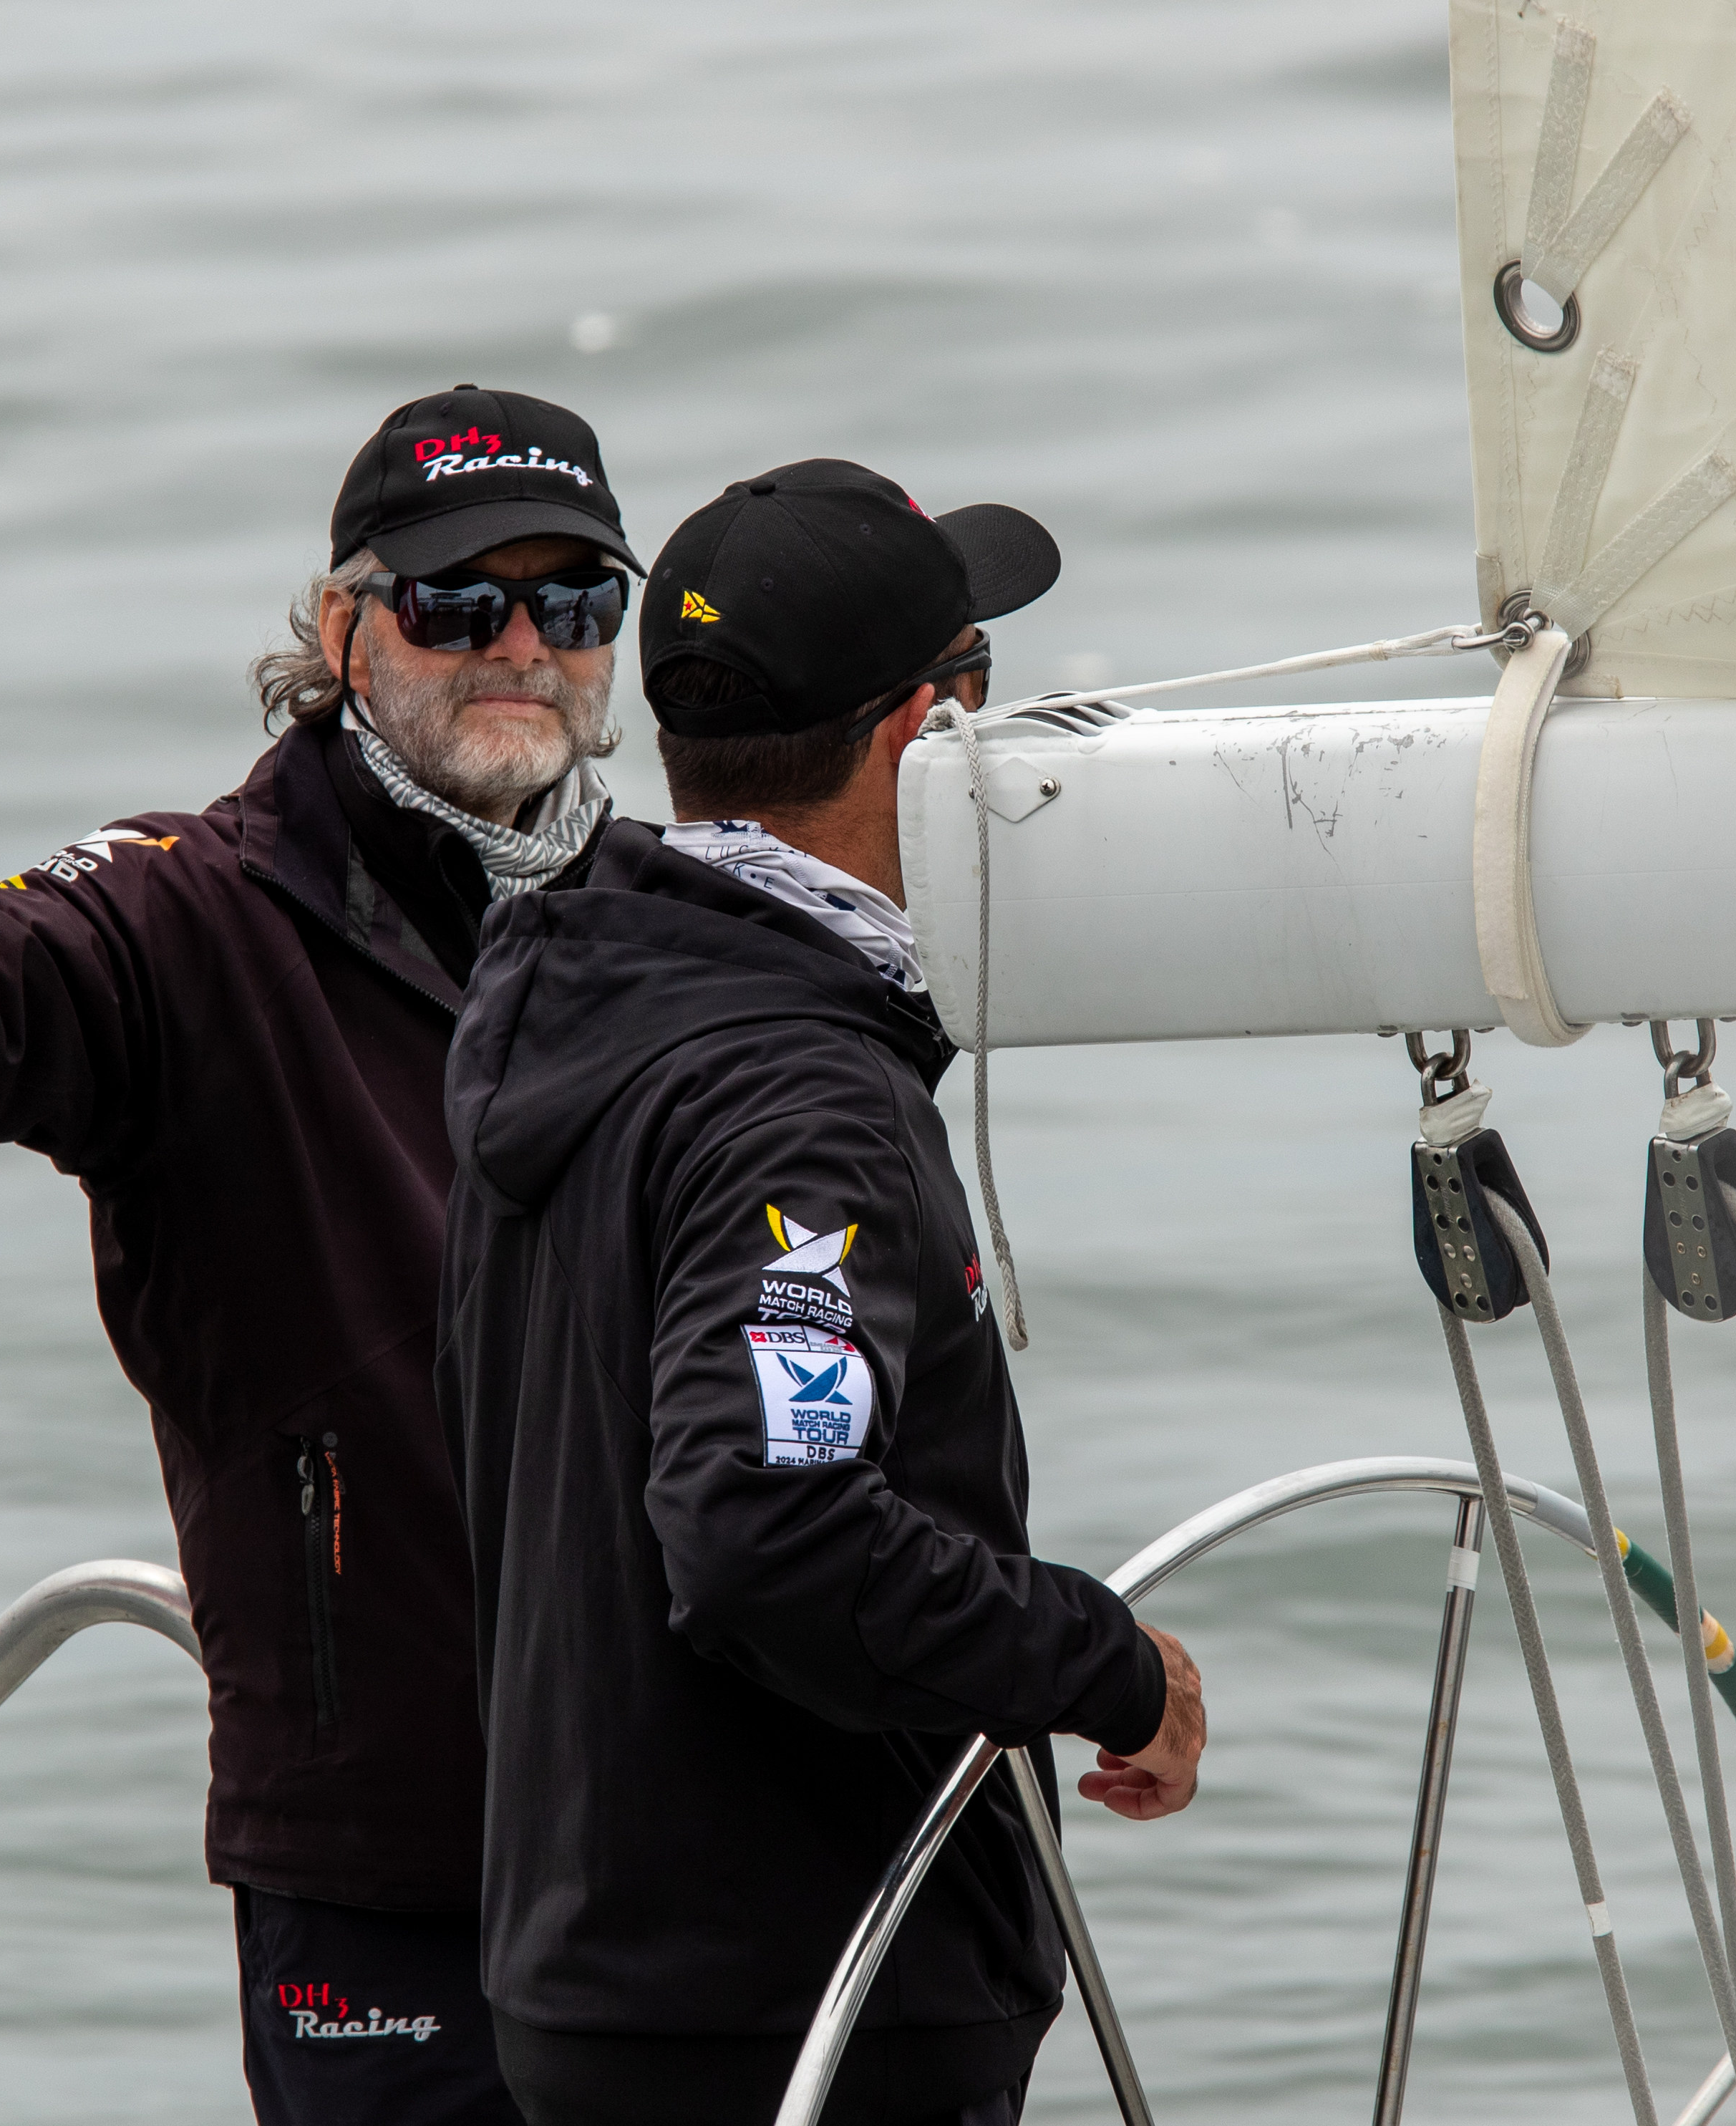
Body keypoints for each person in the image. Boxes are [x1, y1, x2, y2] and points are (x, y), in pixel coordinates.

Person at [0, 387, 643, 2126]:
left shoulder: (660, 923)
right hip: (388, 1862)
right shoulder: (192, 916)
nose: (521, 647)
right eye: (459, 603)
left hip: (685, 1831)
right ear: (341, 630)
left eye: (574, 605)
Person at [435, 460, 1208, 2126]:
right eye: (986, 697)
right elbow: (768, 1529)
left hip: (594, 1978)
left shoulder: (578, 1004)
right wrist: (1102, 1662)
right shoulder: (802, 1103)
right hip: (806, 2007)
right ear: (922, 742)